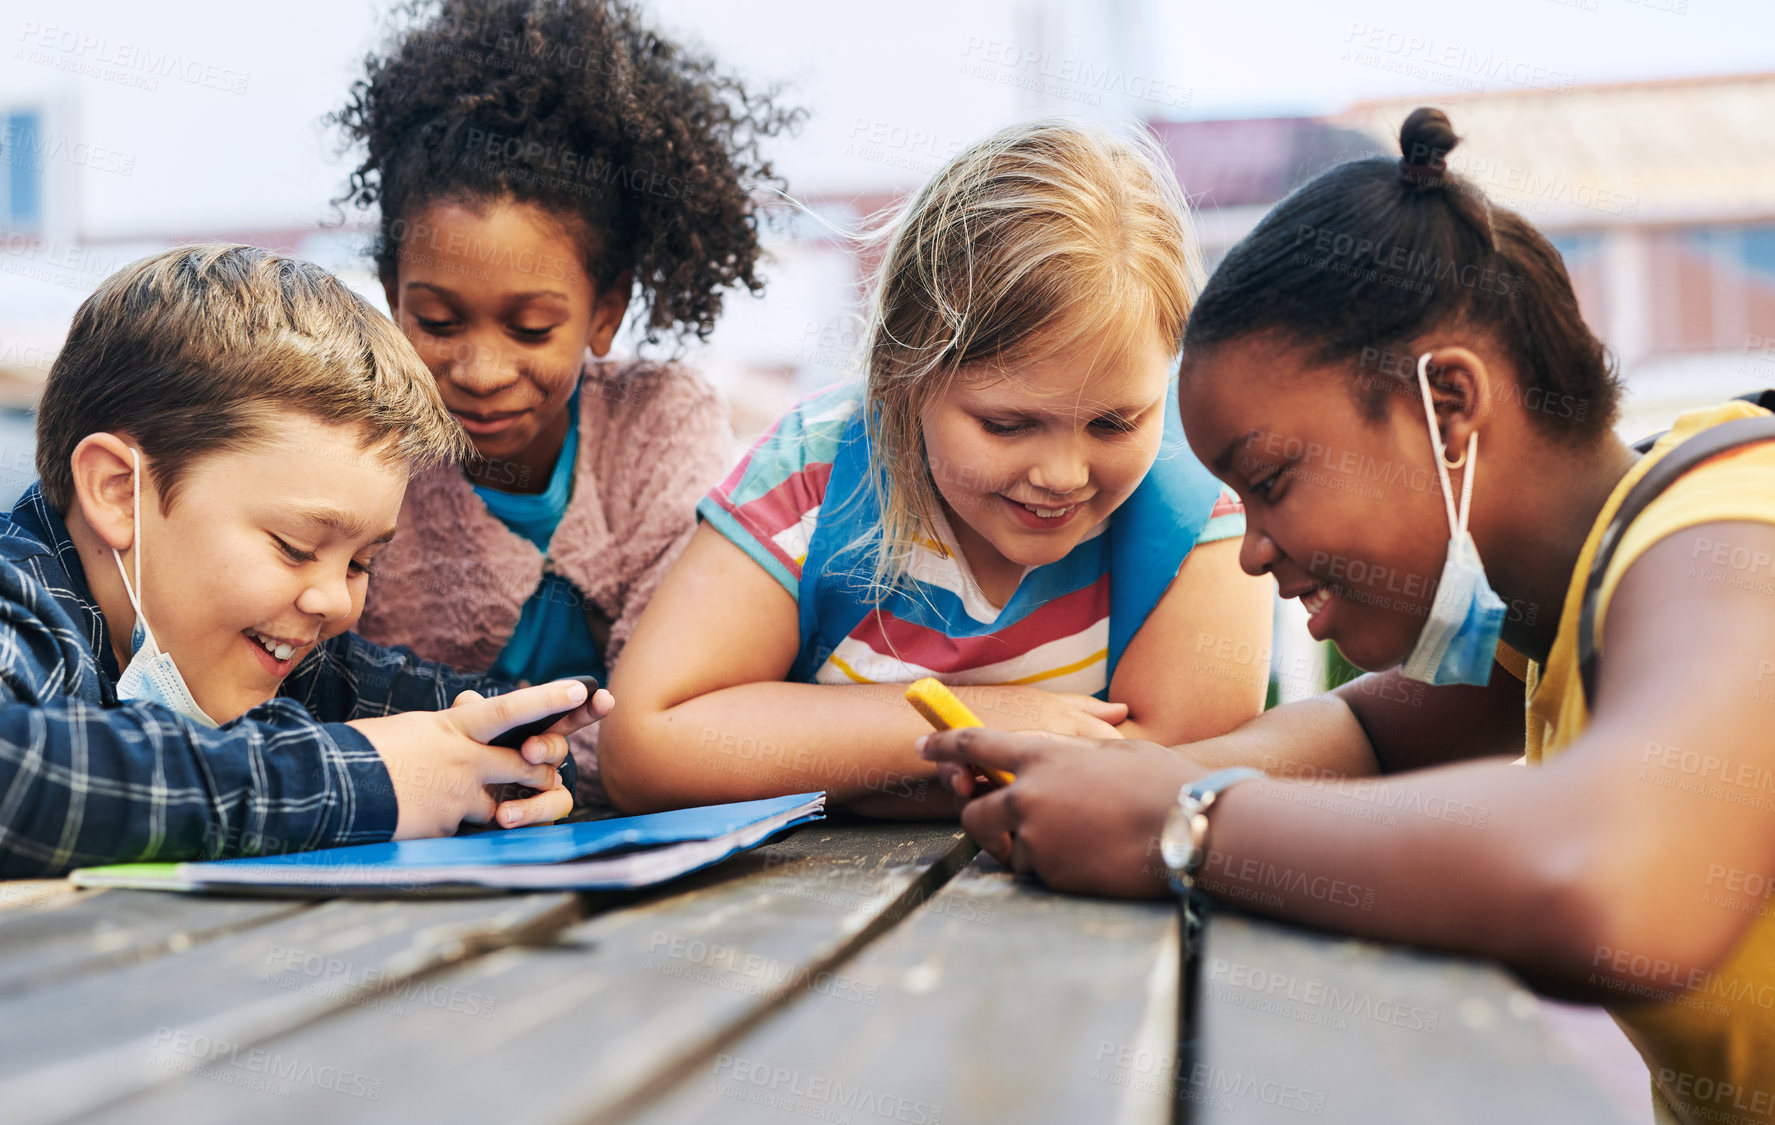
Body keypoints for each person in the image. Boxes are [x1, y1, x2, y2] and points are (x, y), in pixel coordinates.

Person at [918, 108, 1775, 1125]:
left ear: (1446, 406)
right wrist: (1107, 787)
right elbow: (1364, 732)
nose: (1250, 547)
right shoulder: (1560, 603)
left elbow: (1613, 881)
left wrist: (1182, 826)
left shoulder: (1727, 532)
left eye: (1271, 478)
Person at [600, 120, 1272, 816]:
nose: (1064, 474)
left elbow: (1168, 774)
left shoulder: (1193, 510)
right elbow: (647, 743)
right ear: (902, 377)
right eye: (1006, 424)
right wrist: (983, 720)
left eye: (1115, 422)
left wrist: (841, 762)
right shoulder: (814, 478)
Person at [0, 243, 613, 879]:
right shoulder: (21, 597)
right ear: (116, 492)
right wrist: (364, 781)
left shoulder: (281, 657)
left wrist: (518, 758)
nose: (335, 601)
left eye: (362, 564)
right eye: (294, 547)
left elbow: (463, 715)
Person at [335, 0, 798, 807]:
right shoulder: (358, 446)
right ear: (390, 295)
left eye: (530, 326)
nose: (479, 369)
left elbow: (686, 692)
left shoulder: (658, 425)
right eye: (437, 322)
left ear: (606, 312)